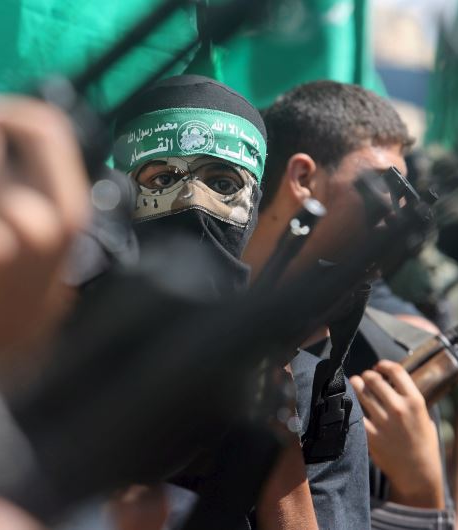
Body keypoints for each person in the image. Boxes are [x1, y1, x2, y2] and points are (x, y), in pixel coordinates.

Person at [109, 74, 319, 530]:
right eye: (163, 179)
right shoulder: (70, 348)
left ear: (255, 203)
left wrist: (276, 437)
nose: (192, 201)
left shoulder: (304, 386)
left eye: (222, 183)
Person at [243, 80, 455, 529]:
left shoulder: (385, 361)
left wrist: (421, 494)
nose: (395, 216)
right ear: (303, 178)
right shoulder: (183, 321)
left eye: (405, 196)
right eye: (383, 187)